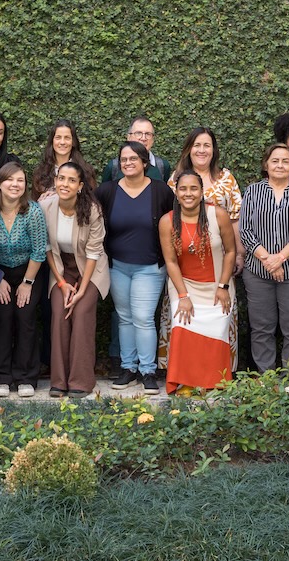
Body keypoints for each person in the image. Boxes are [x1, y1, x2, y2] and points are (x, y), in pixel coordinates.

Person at [159, 126, 244, 369]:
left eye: (207, 145)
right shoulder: (175, 179)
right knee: (184, 318)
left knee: (219, 315)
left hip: (218, 262)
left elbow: (235, 217)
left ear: (213, 149)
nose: (202, 150)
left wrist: (239, 253)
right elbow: (170, 218)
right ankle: (183, 371)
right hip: (184, 260)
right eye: (197, 145)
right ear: (189, 149)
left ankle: (217, 371)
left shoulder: (226, 179)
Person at [97, 141, 176, 394]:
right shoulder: (107, 191)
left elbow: (174, 222)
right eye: (123, 159)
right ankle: (128, 368)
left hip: (150, 267)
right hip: (117, 266)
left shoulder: (160, 191)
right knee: (125, 317)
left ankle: (148, 371)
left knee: (142, 318)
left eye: (133, 159)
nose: (128, 163)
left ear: (144, 162)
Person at [238, 143, 289, 372]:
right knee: (261, 328)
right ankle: (266, 379)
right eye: (275, 160)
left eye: (285, 161)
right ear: (266, 164)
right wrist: (268, 260)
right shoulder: (253, 191)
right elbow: (245, 231)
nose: (280, 165)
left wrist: (280, 258)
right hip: (258, 273)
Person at [159, 171, 238, 393]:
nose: (188, 193)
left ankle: (214, 382)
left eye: (194, 188)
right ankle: (187, 382)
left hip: (217, 285)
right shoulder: (167, 221)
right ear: (176, 192)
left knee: (216, 332)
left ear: (202, 192)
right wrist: (183, 296)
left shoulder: (218, 215)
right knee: (183, 328)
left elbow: (231, 252)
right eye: (183, 189)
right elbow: (170, 262)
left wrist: (223, 286)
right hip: (184, 285)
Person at [40, 162, 110, 398]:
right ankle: (59, 381)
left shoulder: (92, 210)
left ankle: (81, 380)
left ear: (80, 186)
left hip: (90, 268)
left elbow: (94, 252)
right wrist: (61, 283)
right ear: (55, 181)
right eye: (61, 178)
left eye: (71, 180)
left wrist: (81, 290)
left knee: (80, 313)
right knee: (59, 312)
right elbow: (46, 248)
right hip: (61, 267)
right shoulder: (45, 206)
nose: (65, 184)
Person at [0, 162, 48, 398]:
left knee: (25, 318)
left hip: (28, 271)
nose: (15, 184)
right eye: (10, 180)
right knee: (1, 319)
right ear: (0, 184)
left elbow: (39, 250)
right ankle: (0, 377)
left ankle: (26, 377)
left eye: (20, 180)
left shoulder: (33, 211)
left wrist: (27, 283)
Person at [32, 119, 93, 199]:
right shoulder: (40, 173)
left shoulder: (86, 171)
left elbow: (90, 200)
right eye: (58, 137)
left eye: (67, 138)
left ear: (73, 142)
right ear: (52, 141)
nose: (62, 142)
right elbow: (34, 202)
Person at [100, 116, 172, 183]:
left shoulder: (162, 166)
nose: (143, 138)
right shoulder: (113, 167)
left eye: (148, 134)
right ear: (129, 137)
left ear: (153, 139)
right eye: (138, 133)